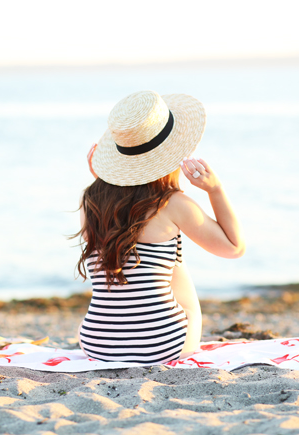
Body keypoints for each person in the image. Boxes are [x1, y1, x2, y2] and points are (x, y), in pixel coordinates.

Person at [74, 90, 245, 364]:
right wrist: (215, 190)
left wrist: (104, 185)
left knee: (142, 252)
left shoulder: (89, 200)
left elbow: (113, 232)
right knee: (174, 257)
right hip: (162, 345)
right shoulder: (173, 204)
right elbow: (234, 248)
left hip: (96, 343)